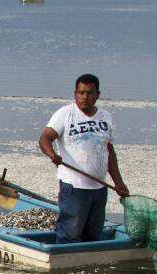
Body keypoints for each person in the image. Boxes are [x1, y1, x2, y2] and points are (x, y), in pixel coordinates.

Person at [39, 73, 129, 243]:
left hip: (99, 188)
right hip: (74, 188)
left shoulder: (105, 117)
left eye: (89, 93)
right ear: (75, 94)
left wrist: (118, 182)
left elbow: (108, 151)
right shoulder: (65, 114)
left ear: (97, 95)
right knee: (69, 234)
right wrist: (52, 154)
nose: (85, 97)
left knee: (93, 235)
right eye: (81, 93)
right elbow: (44, 139)